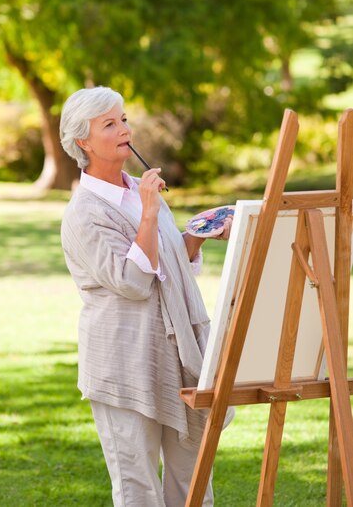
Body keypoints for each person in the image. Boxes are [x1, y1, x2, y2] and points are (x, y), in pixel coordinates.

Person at [59, 86, 233, 507]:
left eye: (124, 119)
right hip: (124, 364)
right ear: (82, 141)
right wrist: (150, 211)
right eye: (110, 124)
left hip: (177, 357)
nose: (125, 129)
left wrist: (193, 240)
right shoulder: (84, 214)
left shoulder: (139, 189)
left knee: (193, 481)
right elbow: (133, 282)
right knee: (138, 486)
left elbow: (165, 268)